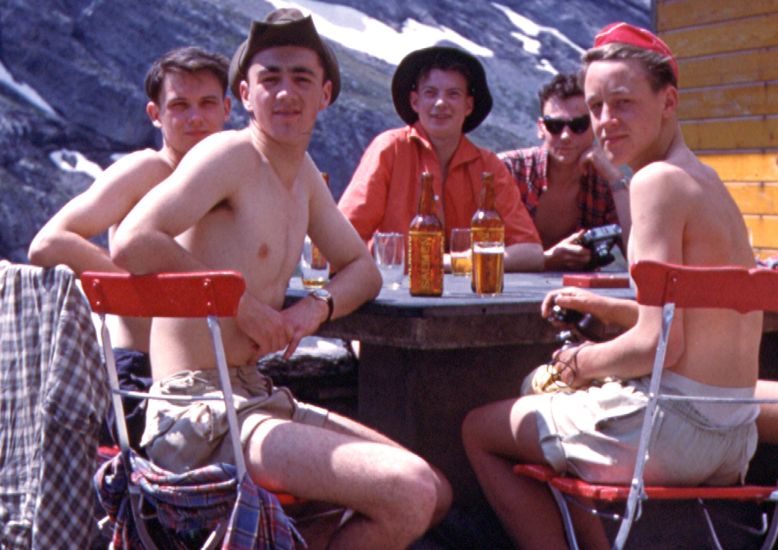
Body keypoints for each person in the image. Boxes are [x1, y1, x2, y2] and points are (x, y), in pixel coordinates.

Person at [111, 9, 451, 549]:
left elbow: (362, 269)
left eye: (301, 79)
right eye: (270, 79)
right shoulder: (229, 155)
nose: (285, 92)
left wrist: (312, 310)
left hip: (257, 395)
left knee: (434, 490)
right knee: (407, 491)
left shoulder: (305, 178)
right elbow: (130, 239)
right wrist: (239, 304)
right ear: (245, 94)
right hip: (196, 411)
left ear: (327, 94)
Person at [462, 22, 761, 549]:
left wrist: (575, 364)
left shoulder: (652, 183)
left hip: (669, 433)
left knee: (482, 429)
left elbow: (658, 346)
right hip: (733, 434)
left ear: (668, 101)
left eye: (621, 103)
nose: (604, 121)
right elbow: (683, 319)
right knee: (556, 410)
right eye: (596, 106)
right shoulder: (707, 182)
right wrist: (603, 306)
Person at [28, 46, 231, 445]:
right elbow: (47, 243)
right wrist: (139, 286)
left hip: (209, 377)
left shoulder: (228, 178)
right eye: (180, 105)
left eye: (207, 103)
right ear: (155, 115)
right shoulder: (148, 170)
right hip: (140, 383)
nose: (195, 117)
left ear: (227, 109)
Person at [338, 46, 544, 272]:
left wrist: (445, 262)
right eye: (430, 93)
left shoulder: (488, 166)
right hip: (395, 297)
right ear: (415, 102)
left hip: (468, 302)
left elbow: (531, 252)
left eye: (453, 94)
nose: (440, 103)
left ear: (468, 105)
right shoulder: (390, 149)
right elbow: (342, 239)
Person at [499, 73, 631, 271]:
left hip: (580, 297)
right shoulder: (509, 169)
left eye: (579, 125)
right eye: (555, 126)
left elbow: (638, 253)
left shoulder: (605, 182)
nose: (566, 136)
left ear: (594, 126)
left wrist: (615, 179)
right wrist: (545, 259)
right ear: (541, 128)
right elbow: (476, 250)